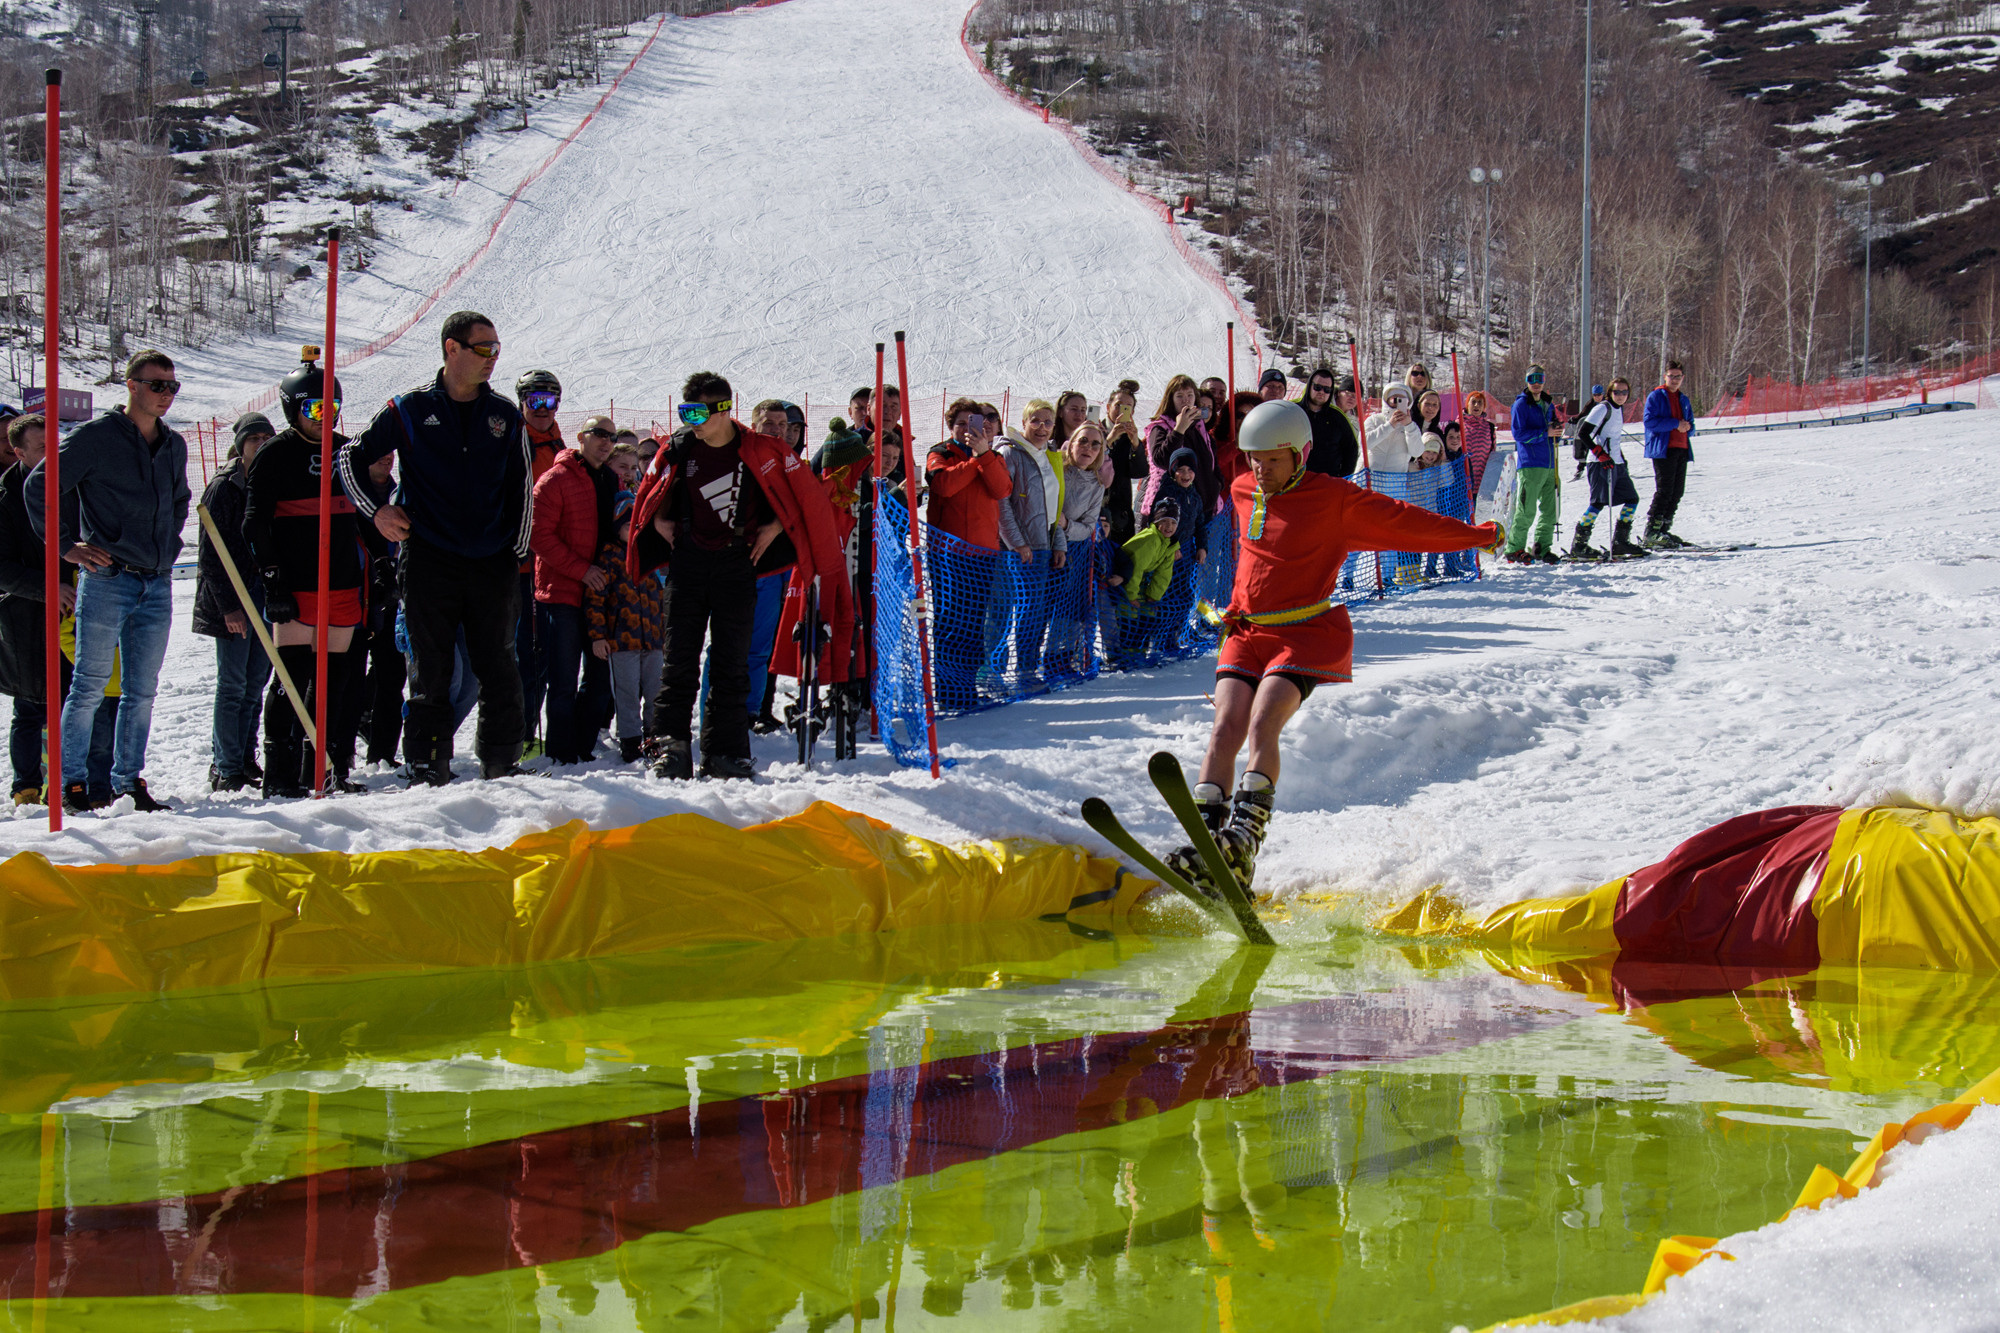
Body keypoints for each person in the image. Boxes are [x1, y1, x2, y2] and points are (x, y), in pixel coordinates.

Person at [1164, 400, 1500, 891]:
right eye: (1254, 458)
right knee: (1223, 730)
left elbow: (1405, 521)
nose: (1260, 469)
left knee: (1262, 722)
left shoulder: (1334, 500)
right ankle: (1211, 846)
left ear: (1300, 455)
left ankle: (1243, 839)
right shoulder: (1242, 489)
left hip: (1302, 634)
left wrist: (1475, 535)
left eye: (1273, 460)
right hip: (1244, 633)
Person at [338, 311, 533, 785]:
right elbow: (348, 456)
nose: (492, 358)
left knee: (500, 667)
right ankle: (428, 764)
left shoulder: (504, 414)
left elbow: (522, 487)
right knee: (431, 668)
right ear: (452, 348)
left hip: (492, 560)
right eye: (482, 348)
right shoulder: (408, 408)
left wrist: (516, 552)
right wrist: (377, 511)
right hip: (429, 558)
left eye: (496, 349)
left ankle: (501, 761)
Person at [626, 371, 852, 780]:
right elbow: (653, 489)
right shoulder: (677, 448)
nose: (691, 420)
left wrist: (777, 527)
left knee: (732, 664)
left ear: (724, 410)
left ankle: (725, 752)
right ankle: (671, 748)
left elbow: (805, 498)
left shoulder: (760, 449)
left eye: (698, 412)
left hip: (737, 565)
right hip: (688, 564)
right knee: (678, 664)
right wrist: (657, 518)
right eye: (685, 411)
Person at [25, 350, 189, 813]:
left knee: (142, 690)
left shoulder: (174, 445)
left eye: (173, 387)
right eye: (158, 385)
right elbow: (39, 487)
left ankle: (127, 783)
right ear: (131, 384)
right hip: (107, 578)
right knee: (90, 685)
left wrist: (169, 547)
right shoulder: (94, 438)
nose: (166, 395)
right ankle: (69, 783)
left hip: (155, 582)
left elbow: (180, 500)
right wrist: (64, 547)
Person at [245, 352, 376, 798]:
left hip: (340, 582)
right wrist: (273, 580)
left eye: (331, 409)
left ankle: (324, 768)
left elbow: (364, 515)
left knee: (335, 682)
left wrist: (378, 567)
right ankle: (279, 771)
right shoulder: (275, 455)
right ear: (291, 408)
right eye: (314, 409)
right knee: (291, 679)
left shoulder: (346, 451)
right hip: (297, 585)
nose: (325, 418)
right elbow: (254, 522)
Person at [0, 414, 113, 807]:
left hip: (81, 609)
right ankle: (27, 786)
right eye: (43, 449)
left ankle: (78, 782)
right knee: (32, 706)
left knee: (83, 697)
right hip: (26, 616)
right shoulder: (4, 497)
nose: (55, 455)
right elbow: (2, 568)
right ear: (19, 453)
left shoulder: (73, 481)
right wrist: (48, 587)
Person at [529, 413, 618, 765]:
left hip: (600, 595)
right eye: (598, 434)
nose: (605, 442)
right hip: (561, 593)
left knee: (598, 680)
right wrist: (581, 571)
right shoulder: (554, 479)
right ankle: (561, 752)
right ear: (581, 436)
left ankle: (582, 745)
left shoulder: (611, 479)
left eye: (610, 437)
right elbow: (538, 536)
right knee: (563, 679)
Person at [193, 411, 274, 792]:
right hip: (233, 597)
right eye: (253, 438)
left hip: (263, 592)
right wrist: (229, 606)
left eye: (265, 438)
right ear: (241, 444)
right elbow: (210, 556)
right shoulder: (225, 488)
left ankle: (245, 755)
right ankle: (225, 764)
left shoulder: (272, 482)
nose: (259, 444)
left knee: (256, 680)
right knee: (233, 683)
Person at [586, 494, 664, 763]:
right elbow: (595, 600)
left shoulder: (650, 557)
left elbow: (661, 599)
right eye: (626, 524)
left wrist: (665, 634)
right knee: (627, 694)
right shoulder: (608, 559)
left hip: (653, 641)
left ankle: (655, 737)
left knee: (656, 691)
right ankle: (630, 741)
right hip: (621, 642)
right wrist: (598, 636)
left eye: (636, 524)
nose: (632, 530)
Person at [997, 400, 1068, 683]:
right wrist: (1017, 542)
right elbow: (1002, 504)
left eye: (1047, 422)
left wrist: (1059, 541)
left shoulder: (1048, 455)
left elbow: (1054, 505)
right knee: (1023, 609)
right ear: (1024, 422)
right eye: (1035, 421)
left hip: (1044, 544)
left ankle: (1027, 667)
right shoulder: (1009, 453)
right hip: (1022, 548)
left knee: (1036, 610)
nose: (1041, 428)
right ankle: (1012, 670)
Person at [515, 368, 564, 759]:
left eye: (550, 401)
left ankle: (526, 731)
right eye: (536, 401)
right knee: (523, 654)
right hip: (518, 565)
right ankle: (516, 735)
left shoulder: (556, 442)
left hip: (547, 565)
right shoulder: (512, 440)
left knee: (541, 654)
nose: (543, 409)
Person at [1048, 421, 1108, 677]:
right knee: (1040, 610)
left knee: (1069, 610)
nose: (1088, 448)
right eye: (1083, 441)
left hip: (1074, 555)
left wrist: (1066, 525)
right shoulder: (1055, 470)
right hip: (1044, 547)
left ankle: (1059, 657)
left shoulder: (1097, 486)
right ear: (1071, 443)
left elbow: (1087, 527)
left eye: (1095, 444)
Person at [1569, 378, 1648, 560]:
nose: (1620, 396)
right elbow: (1583, 433)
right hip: (1599, 463)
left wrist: (1620, 459)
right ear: (1610, 392)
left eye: (1624, 392)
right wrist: (1600, 453)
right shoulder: (1602, 408)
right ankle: (1579, 544)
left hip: (1616, 463)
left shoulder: (1619, 410)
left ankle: (1620, 541)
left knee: (1631, 499)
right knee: (1597, 503)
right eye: (1617, 392)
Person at [1504, 365, 1562, 565]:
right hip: (1531, 464)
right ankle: (1514, 548)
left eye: (1540, 378)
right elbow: (1518, 434)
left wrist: (1556, 431)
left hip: (1549, 463)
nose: (1536, 383)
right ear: (1526, 381)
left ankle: (1541, 547)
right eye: (1532, 378)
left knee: (1551, 509)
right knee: (1526, 509)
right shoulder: (1521, 405)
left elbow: (1552, 428)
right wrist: (1544, 433)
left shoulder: (1548, 403)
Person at [1112, 504, 1180, 666]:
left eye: (1173, 522)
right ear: (1156, 523)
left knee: (1148, 614)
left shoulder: (1169, 545)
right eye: (1165, 522)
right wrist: (1131, 596)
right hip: (1123, 577)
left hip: (1137, 581)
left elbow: (1163, 575)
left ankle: (1139, 652)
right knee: (1129, 614)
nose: (1169, 527)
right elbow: (1135, 568)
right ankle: (1124, 655)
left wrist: (1153, 597)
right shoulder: (1150, 539)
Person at [1643, 360, 1697, 548]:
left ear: (1683, 378)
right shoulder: (1656, 396)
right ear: (1665, 377)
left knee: (1677, 491)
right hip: (1663, 450)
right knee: (1664, 490)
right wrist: (1675, 424)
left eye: (1678, 377)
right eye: (1671, 376)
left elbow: (1690, 425)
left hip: (1681, 449)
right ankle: (1652, 531)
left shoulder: (1683, 398)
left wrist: (1687, 428)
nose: (1674, 380)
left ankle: (1664, 529)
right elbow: (1649, 421)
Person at [1298, 365, 1359, 478]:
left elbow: (1351, 450)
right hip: (1295, 480)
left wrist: (1342, 478)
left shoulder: (1338, 417)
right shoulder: (1294, 410)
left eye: (1327, 389)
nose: (1322, 392)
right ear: (1309, 386)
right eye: (1317, 387)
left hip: (1326, 482)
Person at [1363, 382, 1424, 473]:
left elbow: (1417, 452)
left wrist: (1409, 427)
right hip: (1369, 479)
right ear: (1386, 400)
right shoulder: (1374, 420)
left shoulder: (1412, 426)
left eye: (1403, 400)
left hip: (1393, 483)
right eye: (1395, 399)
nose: (1398, 403)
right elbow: (1364, 443)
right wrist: (1389, 426)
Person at [1459, 389, 1498, 490]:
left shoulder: (1489, 427)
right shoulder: (1458, 424)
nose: (1476, 405)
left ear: (1484, 406)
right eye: (1473, 402)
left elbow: (1493, 453)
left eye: (1480, 402)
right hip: (1461, 483)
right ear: (1467, 405)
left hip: (1482, 484)